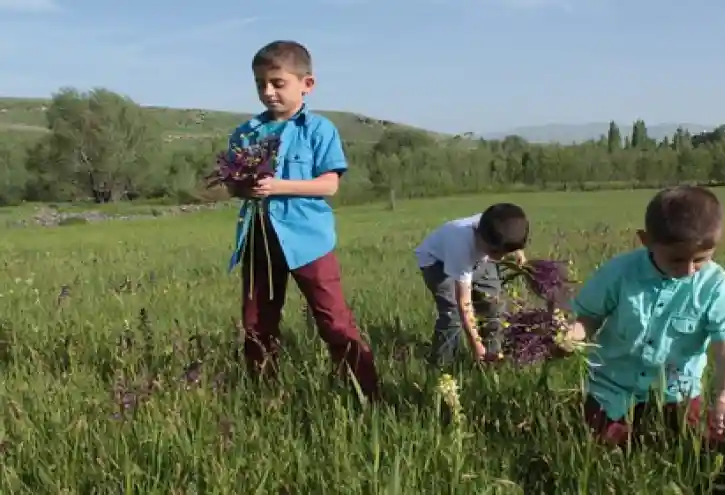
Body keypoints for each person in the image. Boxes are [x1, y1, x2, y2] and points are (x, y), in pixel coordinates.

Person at [225, 40, 380, 400]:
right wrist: (242, 189)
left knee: (334, 320)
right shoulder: (245, 133)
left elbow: (329, 185)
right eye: (260, 83)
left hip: (309, 241)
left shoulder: (319, 129)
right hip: (259, 240)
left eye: (278, 83)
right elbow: (233, 187)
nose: (268, 92)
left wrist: (277, 186)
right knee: (257, 323)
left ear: (306, 84)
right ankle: (263, 396)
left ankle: (367, 394)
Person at [564, 185, 725, 447]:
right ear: (646, 240)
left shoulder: (717, 287)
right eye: (676, 260)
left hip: (677, 394)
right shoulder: (620, 272)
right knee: (601, 451)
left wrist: (723, 399)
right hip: (612, 390)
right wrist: (570, 338)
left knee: (696, 447)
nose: (688, 270)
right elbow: (588, 318)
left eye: (700, 260)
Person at [415, 204, 529, 366]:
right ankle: (442, 364)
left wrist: (518, 252)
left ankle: (492, 358)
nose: (502, 258)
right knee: (452, 313)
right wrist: (476, 345)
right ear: (480, 235)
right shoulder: (460, 247)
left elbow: (509, 238)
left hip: (478, 255)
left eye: (505, 252)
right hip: (437, 263)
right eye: (497, 252)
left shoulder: (498, 224)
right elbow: (464, 303)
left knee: (494, 304)